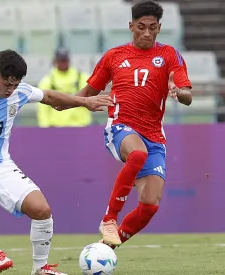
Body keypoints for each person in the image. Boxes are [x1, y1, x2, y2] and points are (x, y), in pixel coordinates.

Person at [0, 49, 113, 274]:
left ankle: (40, 268)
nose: (11, 90)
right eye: (7, 84)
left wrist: (84, 101)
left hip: (3, 166)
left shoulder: (19, 91)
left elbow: (50, 97)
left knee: (42, 210)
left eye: (15, 85)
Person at [62, 0, 193, 247]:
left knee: (150, 206)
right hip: (120, 126)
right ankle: (109, 218)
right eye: (141, 27)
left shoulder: (169, 55)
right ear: (131, 26)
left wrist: (178, 91)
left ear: (159, 28)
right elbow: (91, 89)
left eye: (152, 28)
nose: (147, 33)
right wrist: (65, 101)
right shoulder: (114, 56)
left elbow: (187, 94)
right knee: (137, 155)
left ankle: (106, 248)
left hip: (154, 135)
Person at [37, 47, 92, 127]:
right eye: (61, 60)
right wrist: (44, 127)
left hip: (80, 127)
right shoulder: (47, 81)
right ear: (55, 61)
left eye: (65, 60)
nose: (63, 63)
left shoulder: (82, 78)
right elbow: (42, 108)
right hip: (56, 128)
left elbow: (90, 97)